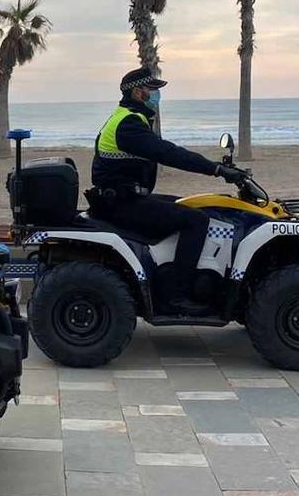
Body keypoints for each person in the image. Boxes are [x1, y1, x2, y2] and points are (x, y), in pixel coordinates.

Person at [90, 68, 247, 316]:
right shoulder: (128, 125)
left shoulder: (127, 118)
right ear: (137, 92)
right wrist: (216, 169)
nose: (156, 95)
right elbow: (169, 153)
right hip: (121, 203)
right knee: (196, 221)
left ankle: (173, 271)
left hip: (123, 198)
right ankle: (175, 294)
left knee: (190, 205)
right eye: (152, 90)